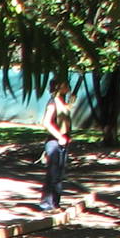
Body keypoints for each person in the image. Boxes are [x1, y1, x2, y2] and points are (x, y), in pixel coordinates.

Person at [40, 77, 72, 211]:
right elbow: (46, 122)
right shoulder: (53, 102)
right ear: (59, 86)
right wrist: (60, 137)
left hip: (63, 141)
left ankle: (55, 204)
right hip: (54, 142)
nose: (68, 87)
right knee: (53, 174)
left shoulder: (62, 102)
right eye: (65, 84)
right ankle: (47, 204)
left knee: (59, 174)